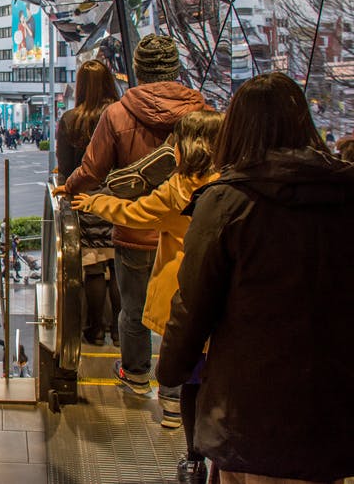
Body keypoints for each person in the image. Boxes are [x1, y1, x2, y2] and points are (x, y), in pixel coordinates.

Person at [157, 73, 354, 484]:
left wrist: (171, 367)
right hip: (333, 404)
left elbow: (194, 301)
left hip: (250, 404)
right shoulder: (344, 191)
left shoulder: (227, 201)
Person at [58, 34, 206, 421]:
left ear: (138, 69)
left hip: (135, 228)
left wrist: (69, 187)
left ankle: (137, 374)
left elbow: (92, 170)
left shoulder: (120, 114)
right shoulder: (203, 112)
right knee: (185, 311)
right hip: (188, 232)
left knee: (134, 309)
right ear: (176, 69)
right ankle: (175, 392)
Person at [73, 110, 223, 482]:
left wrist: (90, 202)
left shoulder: (180, 190)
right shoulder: (233, 184)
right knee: (220, 376)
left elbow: (136, 212)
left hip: (185, 289)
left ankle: (191, 454)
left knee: (186, 370)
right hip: (228, 296)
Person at [57, 59, 122, 348]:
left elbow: (66, 168)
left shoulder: (72, 119)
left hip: (86, 199)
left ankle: (95, 331)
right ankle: (122, 332)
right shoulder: (122, 115)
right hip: (120, 198)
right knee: (120, 265)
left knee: (94, 268)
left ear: (81, 86)